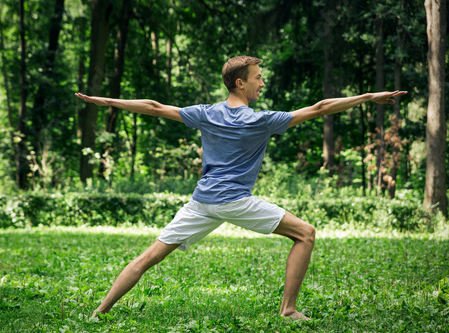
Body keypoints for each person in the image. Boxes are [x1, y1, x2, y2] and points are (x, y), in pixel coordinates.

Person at [75, 56, 407, 321]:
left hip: (201, 201)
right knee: (305, 234)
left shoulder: (206, 114)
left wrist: (106, 101)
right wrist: (367, 97)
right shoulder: (261, 120)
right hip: (233, 200)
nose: (262, 82)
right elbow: (320, 108)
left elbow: (154, 107)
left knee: (148, 257)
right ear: (240, 82)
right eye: (257, 77)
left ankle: (99, 313)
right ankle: (288, 309)